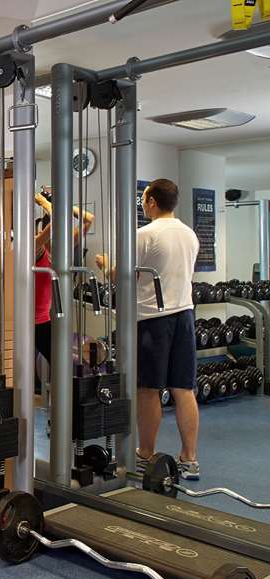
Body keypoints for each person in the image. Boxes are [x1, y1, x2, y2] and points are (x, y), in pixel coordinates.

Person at [95, 178, 200, 479]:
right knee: (183, 388)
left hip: (154, 319)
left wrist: (104, 264)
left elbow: (119, 276)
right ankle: (190, 459)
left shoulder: (144, 234)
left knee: (148, 389)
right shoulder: (190, 234)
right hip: (185, 314)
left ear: (152, 202)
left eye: (144, 199)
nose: (143, 204)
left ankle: (146, 453)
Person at [33, 189, 94, 367]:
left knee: (61, 364)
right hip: (32, 321)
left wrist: (64, 205)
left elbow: (89, 219)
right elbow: (57, 219)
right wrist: (45, 203)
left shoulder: (61, 248)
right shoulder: (35, 247)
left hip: (46, 318)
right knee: (59, 363)